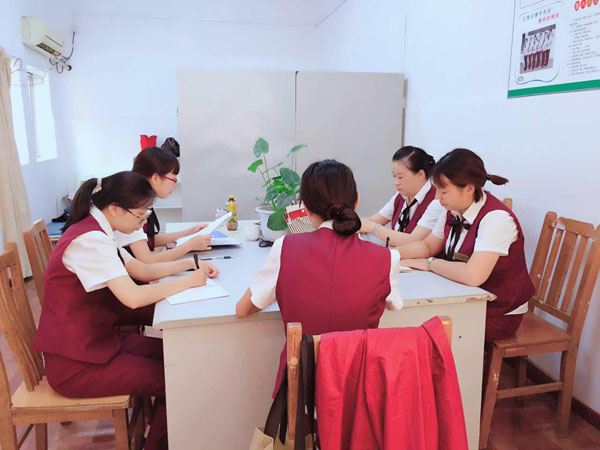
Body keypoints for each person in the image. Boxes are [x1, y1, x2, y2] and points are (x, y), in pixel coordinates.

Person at [33, 171, 219, 449]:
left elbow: (141, 269)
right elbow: (133, 297)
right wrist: (188, 282)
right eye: (140, 216)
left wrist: (190, 265)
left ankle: (159, 428)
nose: (143, 223)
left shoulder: (98, 230)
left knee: (177, 356)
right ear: (115, 209)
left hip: (96, 345)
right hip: (76, 365)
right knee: (179, 376)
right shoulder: (89, 240)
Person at [236, 159, 401, 392]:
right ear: (357, 200)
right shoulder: (386, 257)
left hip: (301, 388)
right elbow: (394, 305)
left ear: (304, 207)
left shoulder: (286, 247)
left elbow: (243, 309)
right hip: (358, 389)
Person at [396, 149, 534, 341]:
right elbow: (428, 246)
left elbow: (473, 275)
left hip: (497, 312)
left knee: (415, 330)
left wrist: (430, 264)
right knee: (407, 321)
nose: (437, 198)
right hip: (465, 300)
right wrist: (392, 254)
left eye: (443, 191)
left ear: (469, 188)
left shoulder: (496, 219)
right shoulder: (453, 210)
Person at [115, 145, 212, 263]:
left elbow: (147, 240)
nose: (174, 185)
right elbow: (148, 260)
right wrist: (190, 245)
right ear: (156, 178)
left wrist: (188, 233)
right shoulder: (132, 205)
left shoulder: (138, 198)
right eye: (173, 179)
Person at [359, 146, 444, 247]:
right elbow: (375, 219)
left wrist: (374, 228)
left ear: (420, 174)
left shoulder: (436, 201)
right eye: (394, 176)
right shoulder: (401, 195)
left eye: (400, 177)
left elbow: (413, 241)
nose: (396, 182)